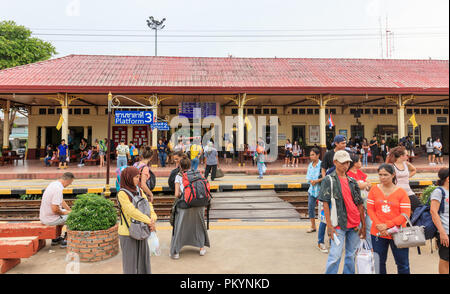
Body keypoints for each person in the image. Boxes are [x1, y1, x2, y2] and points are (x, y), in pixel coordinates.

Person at [318, 150, 366, 274]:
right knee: (335, 256)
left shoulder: (352, 181)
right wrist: (329, 226)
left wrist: (363, 225)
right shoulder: (328, 180)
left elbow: (360, 204)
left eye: (347, 163)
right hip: (338, 224)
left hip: (355, 223)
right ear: (335, 162)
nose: (345, 166)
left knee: (351, 255)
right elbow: (325, 205)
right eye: (343, 163)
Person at [367, 164, 411, 274]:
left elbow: (405, 214)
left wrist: (387, 225)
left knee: (403, 264)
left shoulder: (401, 192)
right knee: (379, 263)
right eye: (380, 175)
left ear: (393, 175)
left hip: (398, 233)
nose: (382, 177)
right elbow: (370, 210)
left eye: (385, 175)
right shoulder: (374, 190)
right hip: (378, 233)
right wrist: (379, 225)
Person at [117, 166, 157, 274]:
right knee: (130, 264)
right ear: (128, 177)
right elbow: (131, 211)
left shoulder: (139, 190)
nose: (138, 180)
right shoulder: (122, 193)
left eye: (139, 177)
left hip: (141, 229)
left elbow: (148, 204)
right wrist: (148, 221)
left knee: (143, 262)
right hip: (127, 233)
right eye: (135, 177)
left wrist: (153, 218)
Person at [170, 157, 210, 259]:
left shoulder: (179, 176)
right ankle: (201, 248)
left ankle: (176, 252)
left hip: (185, 205)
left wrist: (183, 194)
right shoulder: (197, 174)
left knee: (179, 226)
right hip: (200, 204)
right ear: (190, 165)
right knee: (199, 225)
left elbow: (176, 194)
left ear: (180, 166)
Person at [39, 172, 74, 248]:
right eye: (70, 183)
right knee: (73, 217)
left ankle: (56, 238)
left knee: (66, 214)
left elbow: (61, 200)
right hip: (50, 219)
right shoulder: (58, 189)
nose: (69, 185)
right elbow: (55, 210)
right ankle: (66, 240)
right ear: (68, 181)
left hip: (44, 216)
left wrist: (69, 209)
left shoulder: (54, 184)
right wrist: (68, 213)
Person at [347, 154, 372, 248]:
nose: (361, 163)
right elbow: (358, 185)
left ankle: (369, 246)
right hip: (356, 205)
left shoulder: (359, 172)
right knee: (359, 225)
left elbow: (368, 184)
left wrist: (365, 184)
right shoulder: (348, 174)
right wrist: (365, 184)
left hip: (365, 203)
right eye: (359, 161)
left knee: (368, 225)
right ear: (354, 163)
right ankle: (357, 246)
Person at [387, 146, 420, 215]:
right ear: (401, 156)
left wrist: (407, 177)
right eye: (406, 155)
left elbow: (414, 170)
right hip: (397, 193)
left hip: (408, 191)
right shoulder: (392, 166)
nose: (408, 156)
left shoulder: (406, 164)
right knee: (399, 212)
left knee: (418, 207)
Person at [430, 168, 449, 274]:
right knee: (445, 259)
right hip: (445, 231)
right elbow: (433, 212)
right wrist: (442, 232)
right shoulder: (439, 191)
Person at [306, 147, 323, 235]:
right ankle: (313, 226)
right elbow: (308, 176)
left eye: (313, 155)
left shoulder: (322, 165)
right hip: (312, 190)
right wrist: (311, 181)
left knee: (323, 209)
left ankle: (325, 226)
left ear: (318, 155)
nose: (311, 156)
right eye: (310, 155)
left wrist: (316, 181)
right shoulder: (310, 165)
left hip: (321, 190)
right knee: (310, 208)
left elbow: (325, 177)